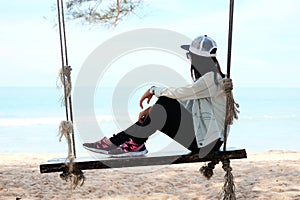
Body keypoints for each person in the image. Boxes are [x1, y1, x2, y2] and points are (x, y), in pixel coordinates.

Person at [83, 35, 228, 157]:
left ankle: (132, 144)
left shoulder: (212, 79)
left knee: (165, 101)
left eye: (189, 55)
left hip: (207, 144)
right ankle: (117, 142)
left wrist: (153, 90)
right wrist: (152, 108)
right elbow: (183, 102)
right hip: (205, 140)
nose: (188, 59)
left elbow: (179, 93)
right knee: (163, 105)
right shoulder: (209, 79)